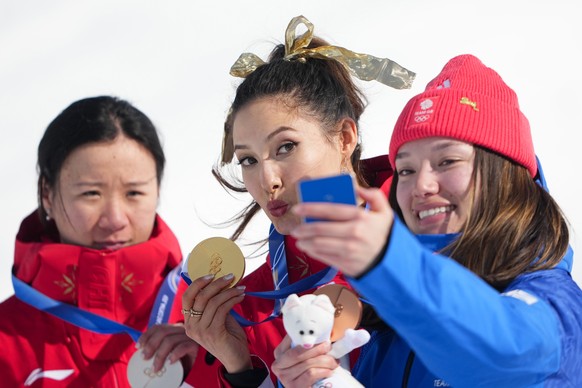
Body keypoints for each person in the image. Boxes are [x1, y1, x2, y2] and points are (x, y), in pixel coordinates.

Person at [272, 54, 582, 387]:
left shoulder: (552, 300)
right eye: (406, 169)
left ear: (504, 174)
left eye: (447, 161)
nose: (421, 186)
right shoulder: (388, 323)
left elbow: (505, 355)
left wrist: (390, 262)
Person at [180, 15, 415, 388]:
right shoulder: (251, 306)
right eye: (248, 160)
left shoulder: (434, 239)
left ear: (343, 138)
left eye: (285, 147)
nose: (267, 181)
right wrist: (240, 369)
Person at [0, 96, 198, 387]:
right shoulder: (6, 341)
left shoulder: (210, 315)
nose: (115, 218)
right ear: (47, 194)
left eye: (134, 193)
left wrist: (218, 369)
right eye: (91, 193)